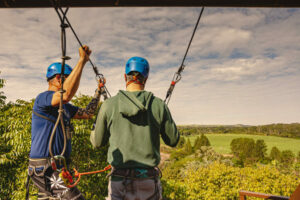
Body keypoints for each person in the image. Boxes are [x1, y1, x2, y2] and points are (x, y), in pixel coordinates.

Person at [90, 56, 180, 200]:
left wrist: (95, 127)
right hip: (149, 182)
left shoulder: (109, 105)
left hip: (119, 182)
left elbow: (97, 142)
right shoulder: (158, 105)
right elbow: (173, 140)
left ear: (125, 76)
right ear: (146, 78)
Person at [28, 45, 103, 200]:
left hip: (56, 167)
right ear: (58, 79)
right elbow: (66, 94)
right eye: (69, 79)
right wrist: (82, 60)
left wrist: (98, 91)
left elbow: (88, 113)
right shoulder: (44, 98)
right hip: (45, 167)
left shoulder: (66, 107)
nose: (72, 83)